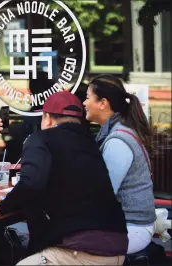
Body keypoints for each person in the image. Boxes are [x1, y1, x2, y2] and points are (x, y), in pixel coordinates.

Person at [0, 91, 129, 265]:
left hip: (80, 250)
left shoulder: (40, 139)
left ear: (47, 118)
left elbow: (30, 185)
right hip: (118, 248)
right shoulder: (91, 143)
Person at [83, 74, 156, 254]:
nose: (84, 103)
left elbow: (104, 194)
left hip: (132, 228)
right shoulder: (115, 133)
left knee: (63, 246)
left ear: (103, 103)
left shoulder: (117, 141)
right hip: (125, 224)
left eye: (87, 97)